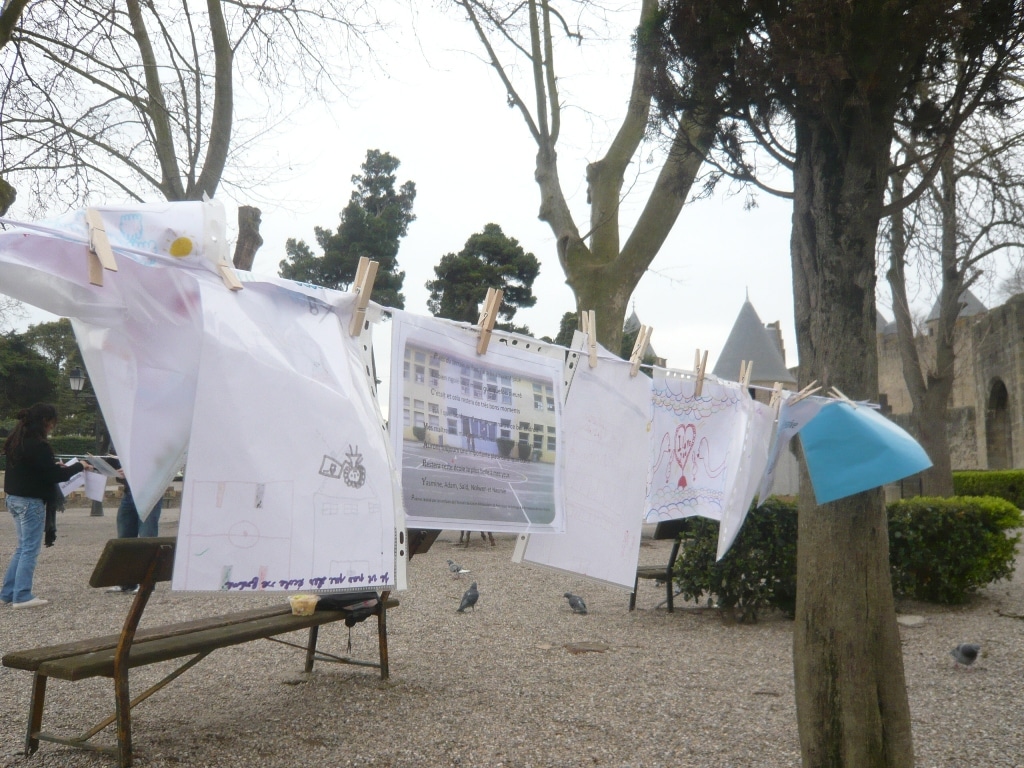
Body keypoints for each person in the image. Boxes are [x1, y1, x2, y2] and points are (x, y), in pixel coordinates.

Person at [2, 404, 91, 608]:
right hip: (30, 500)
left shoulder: (17, 441)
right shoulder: (39, 445)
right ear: (45, 421)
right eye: (52, 423)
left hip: (14, 498)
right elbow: (53, 476)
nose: (53, 427)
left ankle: (8, 592)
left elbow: (38, 469)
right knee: (29, 549)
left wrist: (54, 466)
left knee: (22, 547)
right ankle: (22, 595)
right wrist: (79, 466)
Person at [106, 464, 163, 594]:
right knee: (124, 538)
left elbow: (162, 467)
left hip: (150, 492)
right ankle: (126, 582)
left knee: (147, 538)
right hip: (129, 492)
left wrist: (133, 471)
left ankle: (147, 584)